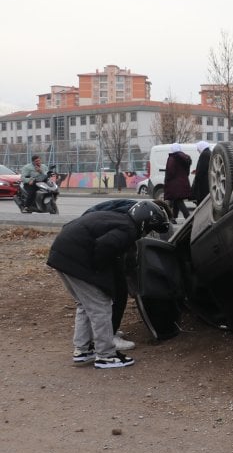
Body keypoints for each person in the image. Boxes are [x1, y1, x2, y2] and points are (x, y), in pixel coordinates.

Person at [46, 200, 170, 368]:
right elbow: (105, 247)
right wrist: (100, 275)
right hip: (75, 258)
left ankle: (83, 351)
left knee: (84, 305)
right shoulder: (129, 229)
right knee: (100, 307)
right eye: (150, 228)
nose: (148, 233)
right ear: (145, 223)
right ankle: (106, 355)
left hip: (61, 253)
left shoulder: (119, 218)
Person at [83, 198, 174, 349]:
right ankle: (108, 338)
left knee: (111, 293)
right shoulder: (133, 217)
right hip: (95, 248)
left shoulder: (133, 209)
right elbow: (126, 248)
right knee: (116, 292)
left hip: (91, 242)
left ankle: (105, 333)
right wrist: (133, 281)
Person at [163, 143, 193, 221]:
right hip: (183, 181)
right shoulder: (185, 158)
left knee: (178, 200)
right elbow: (187, 172)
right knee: (176, 199)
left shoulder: (172, 158)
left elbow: (170, 172)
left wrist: (167, 180)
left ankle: (188, 217)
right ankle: (174, 217)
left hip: (174, 184)